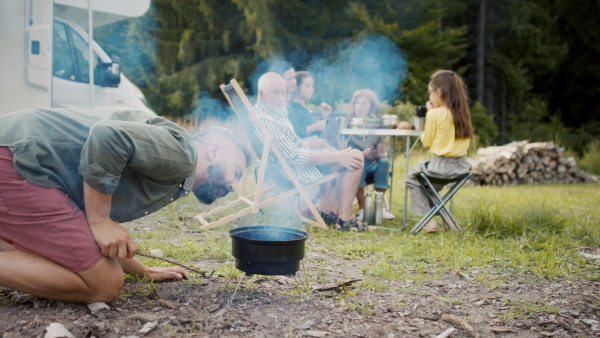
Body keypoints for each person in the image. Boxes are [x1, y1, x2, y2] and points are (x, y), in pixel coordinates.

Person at [0, 107, 251, 303]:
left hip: (22, 160)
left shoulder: (174, 169)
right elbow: (108, 135)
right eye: (237, 172)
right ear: (215, 151)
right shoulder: (184, 155)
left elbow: (95, 231)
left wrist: (142, 270)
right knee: (104, 284)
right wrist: (100, 221)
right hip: (19, 161)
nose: (233, 187)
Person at [253, 72, 370, 231]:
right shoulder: (267, 119)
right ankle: (345, 218)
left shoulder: (272, 113)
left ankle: (336, 213)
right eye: (276, 93)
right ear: (261, 93)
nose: (281, 97)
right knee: (355, 156)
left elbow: (292, 145)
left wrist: (315, 146)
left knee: (348, 155)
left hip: (293, 166)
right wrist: (335, 156)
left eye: (283, 93)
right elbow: (295, 156)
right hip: (292, 172)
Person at [406, 70, 473, 233]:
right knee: (428, 188)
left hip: (439, 167)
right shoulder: (462, 113)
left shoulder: (434, 114)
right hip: (462, 167)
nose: (429, 97)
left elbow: (427, 144)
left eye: (430, 93)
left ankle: (428, 222)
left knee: (411, 177)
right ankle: (449, 222)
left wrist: (430, 113)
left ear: (438, 93)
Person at [346, 89, 396, 221]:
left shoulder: (377, 124)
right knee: (359, 164)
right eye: (357, 103)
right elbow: (343, 149)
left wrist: (376, 155)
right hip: (354, 164)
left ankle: (380, 209)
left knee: (384, 163)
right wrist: (361, 154)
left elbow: (381, 152)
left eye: (364, 104)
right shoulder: (348, 123)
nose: (359, 107)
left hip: (372, 165)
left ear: (371, 107)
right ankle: (363, 210)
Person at [288, 71, 333, 141]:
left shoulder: (304, 108)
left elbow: (313, 135)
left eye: (312, 86)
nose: (311, 89)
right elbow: (296, 132)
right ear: (296, 88)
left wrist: (324, 117)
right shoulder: (293, 108)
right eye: (307, 86)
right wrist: (315, 127)